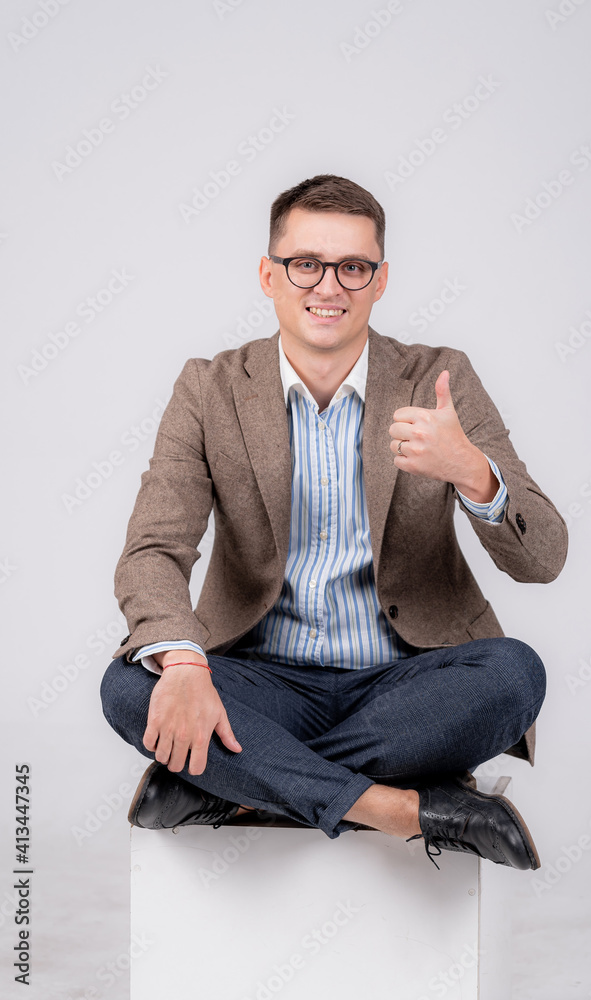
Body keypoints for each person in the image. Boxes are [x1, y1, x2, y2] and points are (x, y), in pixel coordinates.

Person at [100, 174, 567, 872]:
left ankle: (238, 780)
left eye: (353, 267)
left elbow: (544, 557)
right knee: (131, 685)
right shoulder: (209, 388)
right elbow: (153, 550)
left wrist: (474, 473)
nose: (329, 286)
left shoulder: (438, 378)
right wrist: (189, 665)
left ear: (380, 281)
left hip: (404, 685)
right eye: (305, 264)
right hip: (260, 680)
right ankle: (393, 807)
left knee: (513, 675)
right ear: (268, 274)